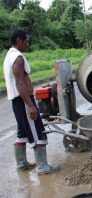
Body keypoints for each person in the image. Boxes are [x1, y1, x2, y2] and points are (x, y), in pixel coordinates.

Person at [3, 29, 59, 174]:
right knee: (37, 132)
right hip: (23, 101)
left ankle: (21, 163)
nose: (28, 44)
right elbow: (20, 83)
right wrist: (30, 105)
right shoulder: (18, 57)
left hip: (18, 101)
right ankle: (43, 167)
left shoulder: (9, 56)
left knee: (22, 133)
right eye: (26, 41)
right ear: (19, 41)